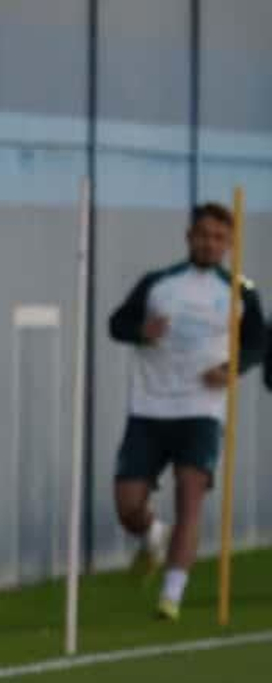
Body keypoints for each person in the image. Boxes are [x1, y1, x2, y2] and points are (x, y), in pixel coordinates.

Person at [108, 202, 265, 619]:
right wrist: (140, 331)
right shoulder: (158, 284)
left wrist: (233, 368)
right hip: (149, 406)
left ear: (229, 244)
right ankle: (150, 534)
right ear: (189, 237)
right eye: (203, 235)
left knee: (189, 494)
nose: (209, 243)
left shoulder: (240, 292)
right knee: (127, 504)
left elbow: (257, 343)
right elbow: (116, 324)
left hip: (201, 410)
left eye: (218, 237)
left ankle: (172, 594)